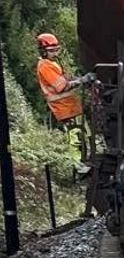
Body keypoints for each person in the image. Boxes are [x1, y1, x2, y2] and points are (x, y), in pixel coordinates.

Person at [34, 32, 90, 173]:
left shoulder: (52, 63)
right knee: (75, 136)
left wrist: (79, 79)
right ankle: (79, 165)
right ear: (43, 51)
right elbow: (61, 86)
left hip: (71, 106)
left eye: (56, 50)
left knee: (82, 134)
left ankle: (85, 161)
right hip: (63, 108)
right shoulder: (45, 66)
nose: (55, 53)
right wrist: (82, 81)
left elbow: (66, 80)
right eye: (51, 51)